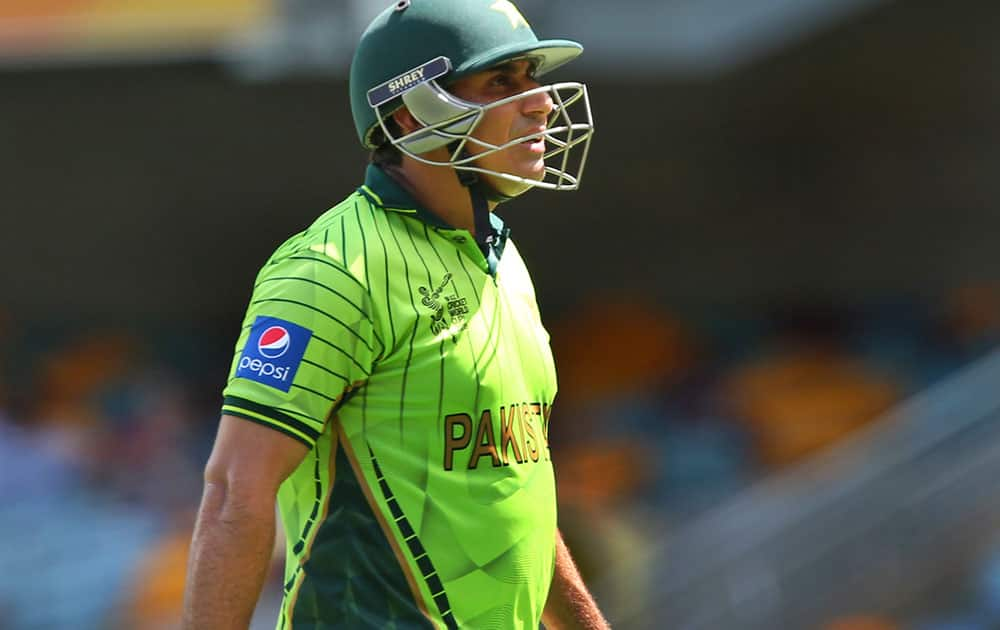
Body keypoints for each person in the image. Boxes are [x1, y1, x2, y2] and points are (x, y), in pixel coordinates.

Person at [182, 0, 606, 627]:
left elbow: (515, 487)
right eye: (501, 82)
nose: (540, 102)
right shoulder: (331, 269)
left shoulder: (502, 255)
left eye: (533, 79)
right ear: (412, 113)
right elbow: (232, 494)